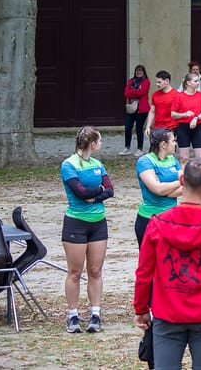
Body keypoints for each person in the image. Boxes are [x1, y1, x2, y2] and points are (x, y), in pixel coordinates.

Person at [134, 158, 201, 370]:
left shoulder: (157, 223)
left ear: (181, 180)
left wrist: (141, 308)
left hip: (168, 313)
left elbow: (144, 273)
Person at [61, 126, 114, 333]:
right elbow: (80, 192)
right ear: (92, 144)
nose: (101, 145)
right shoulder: (69, 165)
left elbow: (110, 189)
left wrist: (97, 194)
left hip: (98, 223)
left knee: (95, 270)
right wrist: (96, 192)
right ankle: (73, 315)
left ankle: (95, 313)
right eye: (100, 141)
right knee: (75, 271)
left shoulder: (98, 164)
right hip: (76, 222)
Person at [134, 128, 183, 246]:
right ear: (163, 145)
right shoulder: (145, 161)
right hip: (149, 219)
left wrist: (163, 188)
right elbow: (157, 189)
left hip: (171, 219)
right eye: (173, 141)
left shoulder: (173, 160)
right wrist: (180, 182)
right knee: (149, 263)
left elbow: (187, 187)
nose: (175, 144)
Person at [171, 72, 201, 166]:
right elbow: (173, 114)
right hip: (183, 128)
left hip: (198, 127)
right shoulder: (179, 96)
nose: (198, 83)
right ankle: (184, 178)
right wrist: (184, 114)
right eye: (195, 81)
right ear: (188, 83)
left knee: (200, 159)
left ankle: (200, 178)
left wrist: (196, 118)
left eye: (198, 81)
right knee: (184, 158)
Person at [122, 64, 151, 156]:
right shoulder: (130, 81)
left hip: (142, 109)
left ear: (144, 72)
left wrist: (132, 92)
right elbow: (126, 93)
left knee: (139, 128)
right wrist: (135, 93)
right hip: (131, 108)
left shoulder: (146, 82)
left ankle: (140, 148)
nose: (138, 72)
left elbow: (142, 92)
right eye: (137, 70)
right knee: (127, 127)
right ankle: (127, 147)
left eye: (140, 71)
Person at [144, 70, 179, 137]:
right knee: (156, 147)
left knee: (169, 147)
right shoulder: (155, 95)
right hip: (157, 128)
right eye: (156, 82)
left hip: (171, 128)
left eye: (159, 82)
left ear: (167, 81)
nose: (157, 84)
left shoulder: (176, 95)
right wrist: (148, 127)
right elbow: (152, 111)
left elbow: (179, 113)